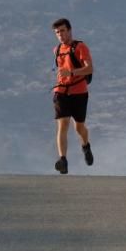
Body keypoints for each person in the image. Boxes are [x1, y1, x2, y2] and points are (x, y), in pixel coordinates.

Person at [51, 17, 94, 174]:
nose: (60, 34)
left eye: (62, 31)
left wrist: (72, 72)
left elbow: (89, 69)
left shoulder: (80, 47)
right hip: (61, 92)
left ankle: (86, 146)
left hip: (79, 92)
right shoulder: (56, 50)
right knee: (63, 125)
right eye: (57, 32)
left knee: (79, 127)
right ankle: (63, 160)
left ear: (69, 30)